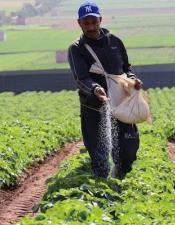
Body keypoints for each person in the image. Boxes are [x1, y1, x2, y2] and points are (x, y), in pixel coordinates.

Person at [68, 1, 143, 179]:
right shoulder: (77, 49)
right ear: (79, 23)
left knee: (128, 150)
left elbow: (126, 68)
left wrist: (132, 80)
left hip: (121, 104)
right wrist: (95, 89)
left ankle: (120, 179)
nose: (91, 27)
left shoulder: (115, 42)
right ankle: (102, 188)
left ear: (100, 20)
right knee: (99, 154)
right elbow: (81, 78)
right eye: (86, 23)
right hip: (94, 108)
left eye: (94, 22)